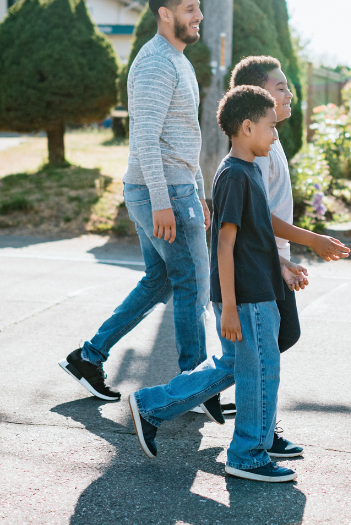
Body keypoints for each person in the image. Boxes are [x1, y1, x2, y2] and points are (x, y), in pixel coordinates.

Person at [129, 85, 299, 483]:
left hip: (258, 291)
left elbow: (258, 232)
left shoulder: (247, 170)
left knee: (231, 368)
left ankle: (151, 405)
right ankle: (247, 455)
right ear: (245, 127)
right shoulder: (234, 176)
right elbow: (225, 243)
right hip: (248, 298)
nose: (276, 135)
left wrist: (286, 264)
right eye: (270, 127)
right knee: (261, 373)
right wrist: (227, 307)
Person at [58, 0, 210, 401]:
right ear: (164, 12)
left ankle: (87, 358)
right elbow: (144, 137)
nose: (199, 15)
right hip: (162, 193)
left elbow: (184, 137)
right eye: (190, 7)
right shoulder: (155, 62)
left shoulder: (178, 60)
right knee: (193, 284)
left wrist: (198, 188)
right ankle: (195, 385)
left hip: (175, 189)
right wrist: (163, 200)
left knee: (160, 280)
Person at [193, 56, 351, 438]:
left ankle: (252, 423)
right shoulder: (246, 161)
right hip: (255, 270)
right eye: (280, 88)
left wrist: (283, 259)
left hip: (267, 262)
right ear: (254, 108)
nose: (289, 93)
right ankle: (253, 431)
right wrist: (300, 247)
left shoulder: (267, 144)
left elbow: (257, 219)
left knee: (263, 350)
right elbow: (247, 226)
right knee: (260, 356)